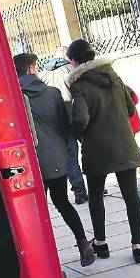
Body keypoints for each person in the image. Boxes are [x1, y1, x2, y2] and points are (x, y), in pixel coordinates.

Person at [66, 39, 140, 264]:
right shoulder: (114, 77)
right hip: (124, 143)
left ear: (74, 61)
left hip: (97, 148)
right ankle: (138, 246)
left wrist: (75, 133)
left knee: (95, 195)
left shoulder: (79, 85)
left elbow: (81, 118)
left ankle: (101, 243)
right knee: (131, 194)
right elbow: (130, 108)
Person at [14, 53, 95, 267]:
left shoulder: (14, 96)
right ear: (31, 69)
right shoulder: (53, 93)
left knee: (35, 214)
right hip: (56, 159)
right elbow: (65, 125)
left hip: (29, 164)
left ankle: (45, 259)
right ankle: (83, 242)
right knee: (62, 202)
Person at [39, 47, 88, 204]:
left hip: (54, 125)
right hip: (75, 119)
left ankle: (79, 190)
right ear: (67, 57)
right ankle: (87, 187)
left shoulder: (43, 75)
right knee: (86, 152)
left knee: (70, 158)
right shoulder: (70, 70)